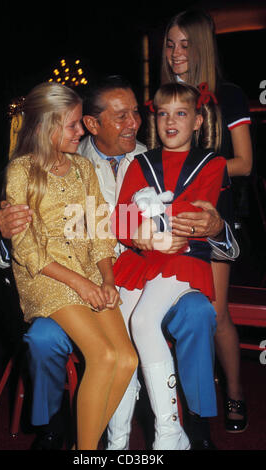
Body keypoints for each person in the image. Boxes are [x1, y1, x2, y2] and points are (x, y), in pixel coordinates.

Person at [0, 76, 237, 450]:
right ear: (92, 124)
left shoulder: (153, 158)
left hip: (150, 274)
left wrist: (217, 226)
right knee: (43, 337)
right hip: (76, 279)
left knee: (198, 313)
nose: (135, 124)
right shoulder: (59, 163)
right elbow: (24, 246)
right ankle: (53, 426)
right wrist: (6, 228)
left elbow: (225, 241)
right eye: (121, 116)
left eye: (137, 114)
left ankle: (195, 422)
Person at [4, 81, 138, 450]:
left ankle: (82, 447)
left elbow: (98, 230)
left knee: (126, 359)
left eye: (80, 123)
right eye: (73, 125)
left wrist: (107, 278)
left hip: (90, 273)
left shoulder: (81, 168)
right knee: (105, 355)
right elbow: (29, 251)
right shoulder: (21, 171)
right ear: (46, 127)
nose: (81, 131)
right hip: (47, 279)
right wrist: (82, 284)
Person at [110, 81, 226, 450]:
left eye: (181, 113)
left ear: (197, 120)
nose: (170, 121)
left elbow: (194, 217)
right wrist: (140, 229)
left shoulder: (212, 163)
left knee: (144, 322)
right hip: (139, 261)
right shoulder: (141, 162)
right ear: (153, 120)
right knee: (120, 339)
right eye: (162, 114)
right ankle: (118, 441)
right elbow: (119, 219)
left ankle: (170, 432)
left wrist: (144, 221)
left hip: (183, 261)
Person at [161, 8, 252, 433]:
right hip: (168, 216)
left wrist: (198, 171)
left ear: (202, 47)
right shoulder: (160, 96)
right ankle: (176, 404)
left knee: (216, 313)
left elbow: (246, 163)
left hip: (214, 215)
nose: (177, 52)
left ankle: (234, 393)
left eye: (186, 43)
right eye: (170, 43)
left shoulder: (227, 94)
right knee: (173, 307)